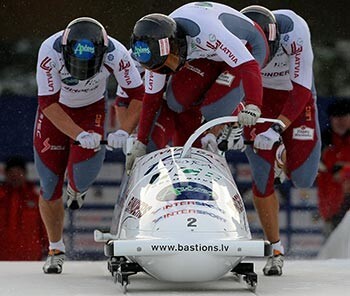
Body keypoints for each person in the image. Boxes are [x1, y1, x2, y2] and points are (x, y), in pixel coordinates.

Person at [34, 17, 144, 274]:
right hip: (55, 112)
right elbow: (47, 103)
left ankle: (77, 187)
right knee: (49, 184)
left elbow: (138, 95)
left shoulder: (117, 54)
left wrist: (123, 130)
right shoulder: (49, 52)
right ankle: (55, 248)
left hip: (91, 109)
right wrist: (78, 134)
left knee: (80, 175)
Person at [126, 1, 271, 172]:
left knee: (214, 110)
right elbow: (151, 98)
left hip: (247, 49)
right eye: (159, 67)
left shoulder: (208, 33)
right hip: (208, 54)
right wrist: (141, 142)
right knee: (176, 100)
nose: (166, 70)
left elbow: (248, 65)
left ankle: (232, 112)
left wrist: (253, 104)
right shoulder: (159, 52)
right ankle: (201, 140)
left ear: (175, 45)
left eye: (169, 62)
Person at [240, 6, 321, 275]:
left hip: (294, 99)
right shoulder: (234, 35)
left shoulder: (295, 31)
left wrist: (277, 129)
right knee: (261, 180)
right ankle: (275, 249)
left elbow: (301, 89)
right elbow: (228, 83)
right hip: (259, 99)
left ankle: (281, 154)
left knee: (303, 179)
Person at [0, 156, 48, 260]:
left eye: (18, 172)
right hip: (2, 260)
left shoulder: (36, 200)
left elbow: (46, 227)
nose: (15, 175)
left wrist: (51, 249)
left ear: (25, 174)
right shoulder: (1, 198)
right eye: (11, 172)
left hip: (30, 259)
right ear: (6, 175)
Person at [317, 98, 350, 237]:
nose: (340, 121)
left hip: (346, 202)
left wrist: (345, 171)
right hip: (331, 206)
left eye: (344, 116)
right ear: (331, 119)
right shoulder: (321, 142)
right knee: (334, 247)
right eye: (336, 117)